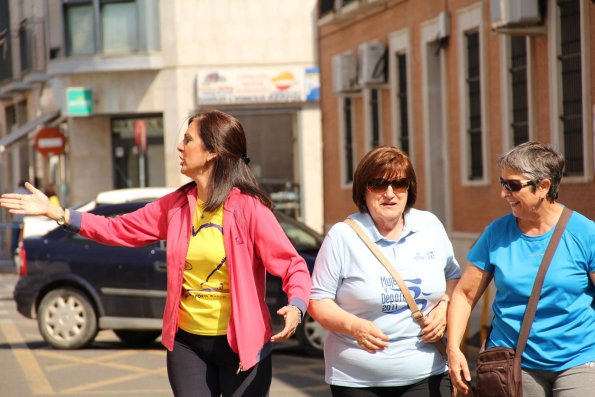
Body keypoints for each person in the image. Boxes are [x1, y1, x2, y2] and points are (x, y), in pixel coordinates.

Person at [0, 110, 312, 397]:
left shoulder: (249, 210)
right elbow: (118, 228)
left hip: (244, 347)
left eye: (188, 140)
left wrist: (296, 307)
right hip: (187, 345)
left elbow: (293, 266)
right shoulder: (175, 206)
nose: (179, 146)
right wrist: (58, 213)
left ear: (213, 152)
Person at [308, 146, 461, 397]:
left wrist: (444, 306)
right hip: (357, 381)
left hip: (428, 374)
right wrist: (353, 325)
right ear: (363, 191)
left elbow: (453, 276)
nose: (390, 193)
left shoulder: (429, 226)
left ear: (408, 188)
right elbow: (318, 300)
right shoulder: (342, 236)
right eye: (379, 184)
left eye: (399, 183)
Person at [447, 142, 595, 396]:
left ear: (544, 186)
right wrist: (453, 348)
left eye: (513, 185)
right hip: (513, 362)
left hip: (578, 359)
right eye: (502, 183)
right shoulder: (497, 233)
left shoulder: (585, 233)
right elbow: (464, 294)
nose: (504, 193)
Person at [10, 180, 30, 256]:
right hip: (24, 220)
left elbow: (10, 209)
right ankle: (22, 255)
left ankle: (13, 255)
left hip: (16, 220)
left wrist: (12, 216)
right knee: (23, 240)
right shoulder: (27, 193)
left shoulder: (14, 192)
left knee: (14, 239)